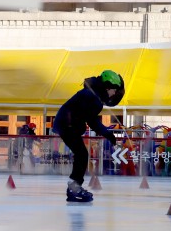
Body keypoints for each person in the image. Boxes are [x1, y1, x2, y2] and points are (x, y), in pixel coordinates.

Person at [53, 70, 124, 202]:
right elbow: (92, 121)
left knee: (81, 154)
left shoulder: (93, 95)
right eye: (114, 90)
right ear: (107, 87)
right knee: (82, 154)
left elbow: (88, 117)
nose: (114, 94)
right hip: (66, 125)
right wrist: (107, 134)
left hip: (67, 125)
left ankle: (74, 187)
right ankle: (74, 188)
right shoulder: (93, 97)